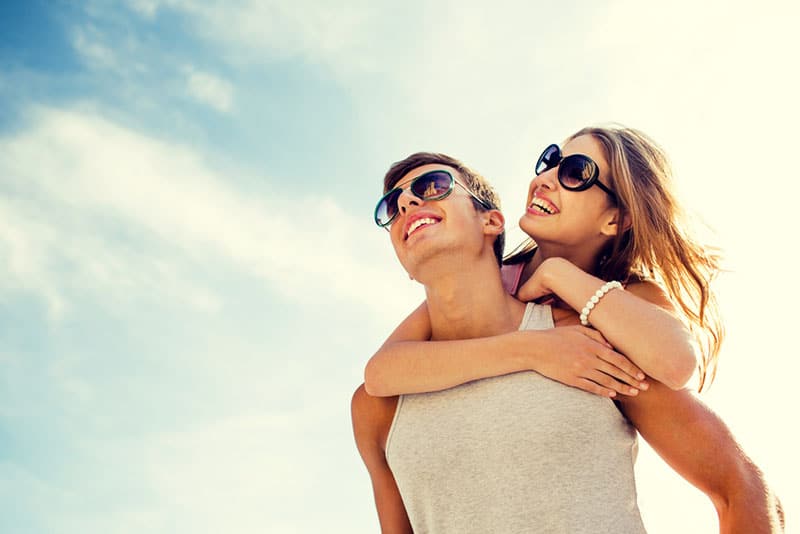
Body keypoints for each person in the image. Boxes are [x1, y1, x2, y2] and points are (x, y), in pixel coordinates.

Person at [351, 132, 784, 532]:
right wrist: (532, 350)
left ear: (492, 222)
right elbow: (380, 373)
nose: (406, 203)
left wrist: (558, 276)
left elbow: (681, 369)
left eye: (576, 171)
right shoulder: (386, 399)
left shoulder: (600, 336)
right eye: (392, 206)